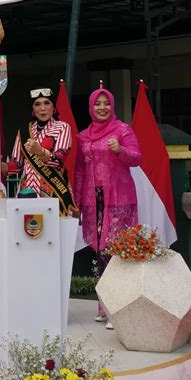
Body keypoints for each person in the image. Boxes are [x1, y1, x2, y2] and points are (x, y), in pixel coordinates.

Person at [74, 86, 141, 325]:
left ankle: (117, 309)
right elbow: (80, 171)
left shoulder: (123, 130)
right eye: (97, 104)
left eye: (106, 103)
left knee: (116, 252)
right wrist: (78, 201)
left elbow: (136, 158)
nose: (102, 107)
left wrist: (119, 150)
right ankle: (104, 307)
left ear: (112, 106)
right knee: (100, 252)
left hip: (118, 200)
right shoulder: (83, 136)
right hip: (94, 200)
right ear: (91, 107)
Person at [2, 87, 78, 216]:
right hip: (26, 191)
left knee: (54, 232)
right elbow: (17, 165)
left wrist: (41, 152)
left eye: (47, 103)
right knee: (27, 230)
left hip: (54, 189)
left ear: (53, 108)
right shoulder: (24, 131)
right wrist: (1, 166)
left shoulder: (62, 127)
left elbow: (58, 161)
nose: (42, 108)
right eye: (37, 104)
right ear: (33, 110)